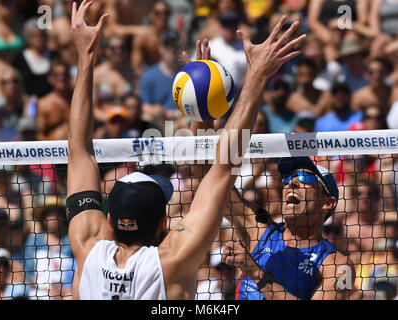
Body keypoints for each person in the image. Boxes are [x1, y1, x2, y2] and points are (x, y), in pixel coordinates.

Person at [66, 1, 305, 300]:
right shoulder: (172, 259)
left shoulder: (86, 247)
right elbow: (221, 170)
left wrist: (85, 55)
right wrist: (256, 76)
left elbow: (78, 150)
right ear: (163, 224)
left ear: (110, 220)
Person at [222, 156, 356, 300]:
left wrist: (256, 273)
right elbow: (212, 184)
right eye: (287, 178)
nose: (291, 182)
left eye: (305, 177)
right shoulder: (258, 227)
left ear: (327, 203)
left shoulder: (342, 267)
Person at [139, 30, 183, 127]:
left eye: (175, 45)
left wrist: (178, 115)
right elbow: (143, 106)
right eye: (167, 45)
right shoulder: (149, 76)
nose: (172, 49)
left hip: (184, 124)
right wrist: (159, 111)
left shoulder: (188, 75)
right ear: (160, 48)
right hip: (158, 126)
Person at [12, 18, 53, 98]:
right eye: (34, 36)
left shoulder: (54, 56)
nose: (38, 39)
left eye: (41, 35)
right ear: (28, 38)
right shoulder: (19, 60)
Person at [36, 59, 72, 141]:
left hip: (78, 150)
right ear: (50, 78)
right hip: (54, 151)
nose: (62, 78)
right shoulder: (43, 104)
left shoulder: (78, 101)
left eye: (65, 74)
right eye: (57, 75)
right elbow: (39, 134)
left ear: (70, 76)